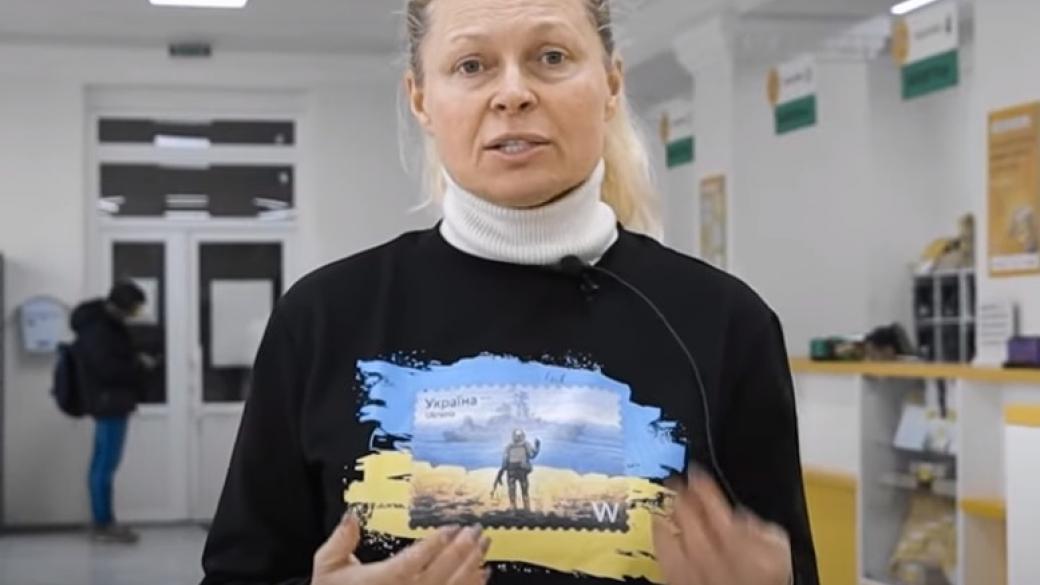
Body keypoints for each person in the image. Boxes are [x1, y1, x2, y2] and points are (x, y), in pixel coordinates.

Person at [201, 0, 819, 584]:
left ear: (611, 83)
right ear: (421, 98)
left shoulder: (723, 323)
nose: (513, 93)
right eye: (472, 65)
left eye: (551, 57)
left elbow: (787, 566)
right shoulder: (322, 320)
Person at [71, 281, 151, 544]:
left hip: (107, 402)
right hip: (110, 403)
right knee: (106, 465)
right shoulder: (100, 330)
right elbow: (108, 369)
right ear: (121, 306)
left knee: (101, 464)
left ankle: (102, 520)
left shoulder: (101, 325)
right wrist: (137, 366)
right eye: (134, 308)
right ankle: (103, 523)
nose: (135, 314)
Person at [492, 429, 540, 512]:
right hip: (522, 471)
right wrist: (537, 447)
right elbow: (532, 455)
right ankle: (526, 509)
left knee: (512, 491)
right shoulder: (526, 444)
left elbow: (505, 461)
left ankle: (513, 508)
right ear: (522, 436)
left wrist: (501, 472)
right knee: (524, 491)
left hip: (511, 471)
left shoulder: (509, 446)